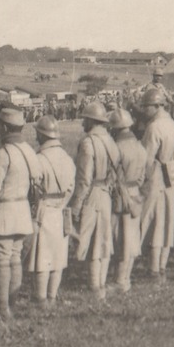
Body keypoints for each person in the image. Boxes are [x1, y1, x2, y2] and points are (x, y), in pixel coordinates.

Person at [0, 106, 41, 323]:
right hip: (22, 212)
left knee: (1, 260)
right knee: (14, 258)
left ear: (3, 127)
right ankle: (11, 304)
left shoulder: (2, 155)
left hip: (4, 212)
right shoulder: (30, 152)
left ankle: (3, 308)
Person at [69, 98, 120, 301]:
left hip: (91, 194)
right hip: (105, 192)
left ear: (91, 121)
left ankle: (94, 285)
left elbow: (84, 179)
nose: (83, 124)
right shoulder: (110, 140)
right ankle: (100, 283)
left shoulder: (88, 143)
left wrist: (76, 205)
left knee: (90, 240)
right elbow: (117, 170)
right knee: (104, 239)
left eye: (85, 120)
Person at [28, 115, 75, 309]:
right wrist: (63, 203)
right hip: (61, 210)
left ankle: (40, 299)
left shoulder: (39, 158)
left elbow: (32, 187)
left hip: (44, 210)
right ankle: (52, 296)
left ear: (42, 135)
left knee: (42, 258)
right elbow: (71, 187)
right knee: (58, 256)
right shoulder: (66, 157)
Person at [136, 85, 174, 278]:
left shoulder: (154, 127)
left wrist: (139, 182)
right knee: (167, 220)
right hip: (171, 175)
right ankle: (161, 265)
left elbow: (146, 158)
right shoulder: (172, 124)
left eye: (146, 107)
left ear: (155, 106)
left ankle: (153, 268)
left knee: (152, 221)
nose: (144, 111)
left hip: (155, 176)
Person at [109, 108, 147, 292]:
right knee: (131, 239)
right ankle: (125, 279)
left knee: (120, 240)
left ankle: (119, 281)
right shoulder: (140, 147)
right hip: (135, 193)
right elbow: (142, 177)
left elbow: (112, 176)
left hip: (121, 195)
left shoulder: (116, 148)